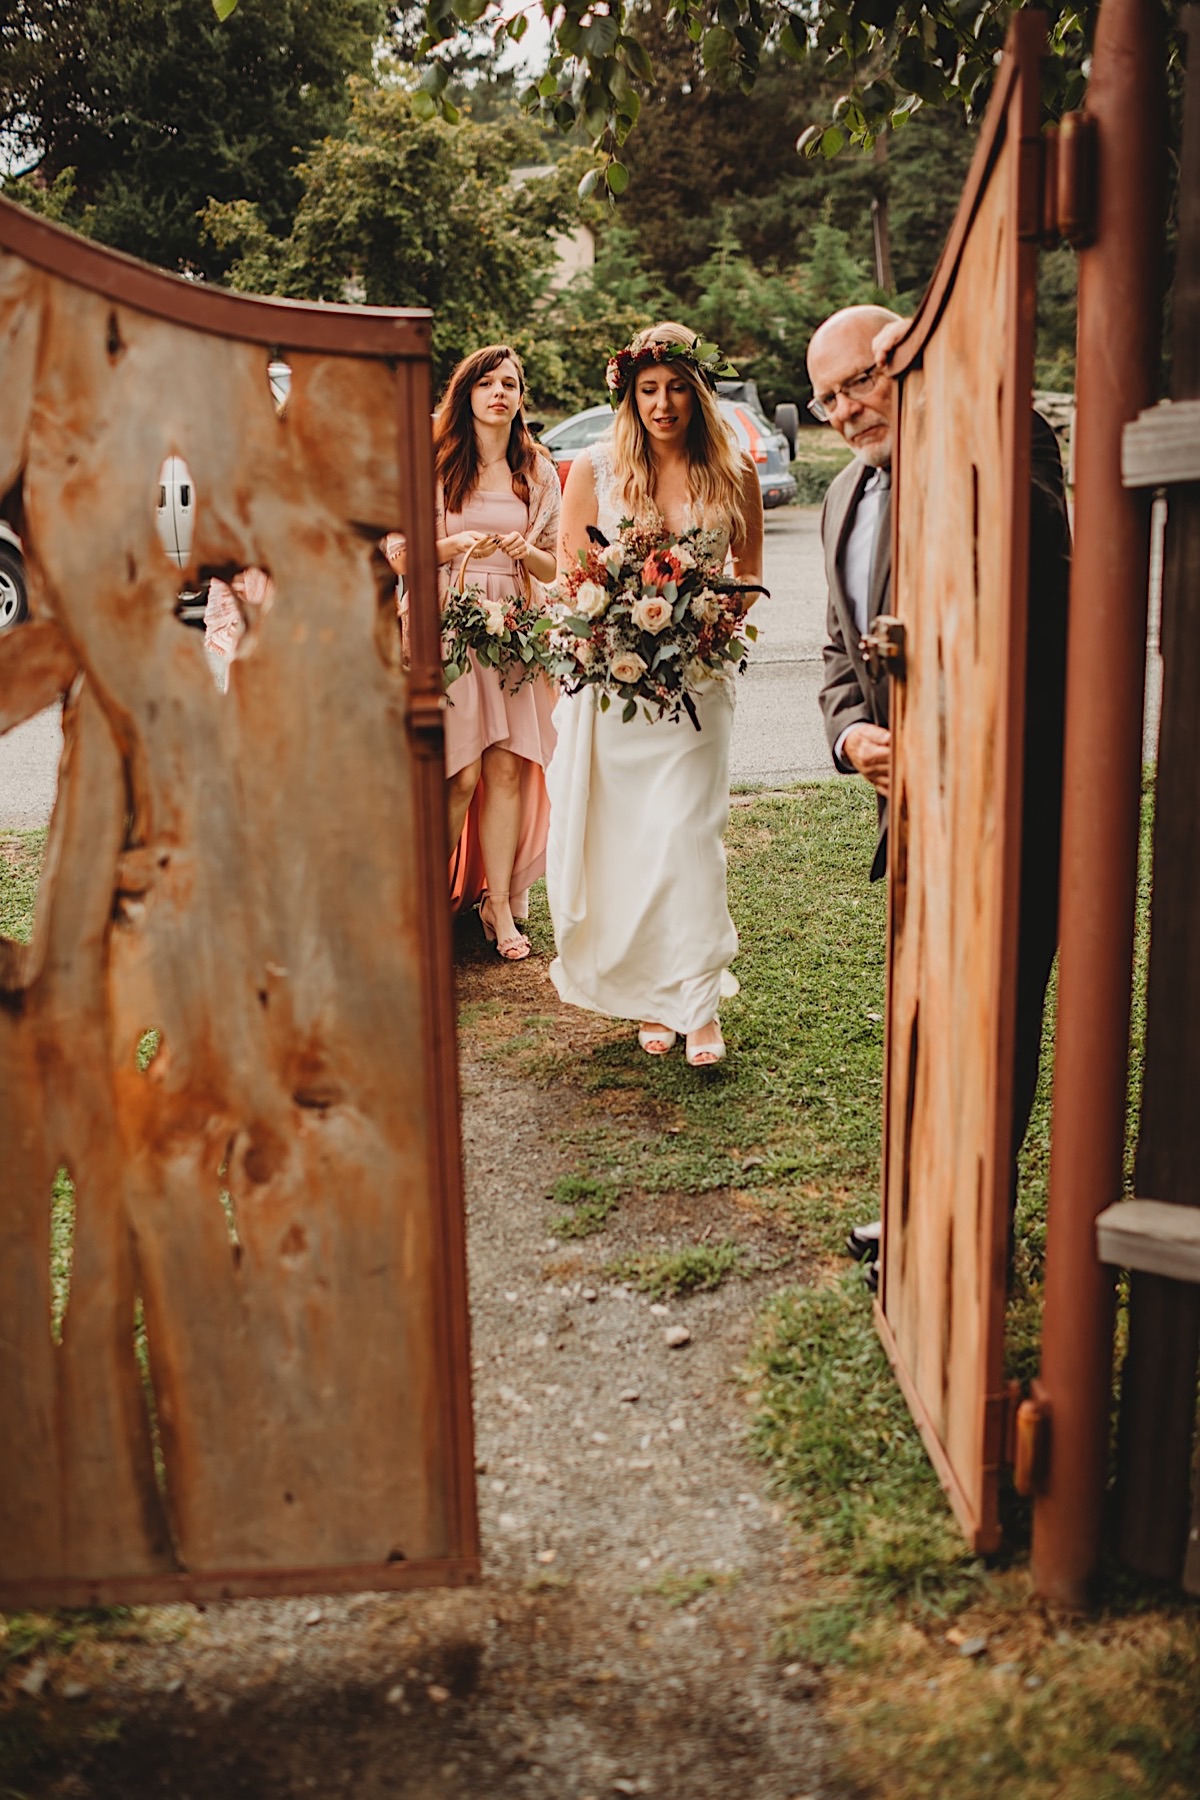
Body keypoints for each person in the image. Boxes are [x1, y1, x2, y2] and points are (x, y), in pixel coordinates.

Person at [808, 304, 1071, 1280]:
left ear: (909, 366)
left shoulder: (996, 440)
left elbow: (1042, 552)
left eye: (860, 383)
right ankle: (922, 1207)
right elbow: (839, 654)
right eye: (827, 396)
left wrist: (956, 394)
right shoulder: (840, 497)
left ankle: (977, 1230)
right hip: (909, 814)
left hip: (1009, 795)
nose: (844, 411)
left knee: (993, 1020)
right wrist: (852, 738)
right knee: (928, 1018)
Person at [546, 322, 764, 1068]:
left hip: (699, 687)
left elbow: (749, 572)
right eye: (649, 390)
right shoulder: (595, 471)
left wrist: (708, 626)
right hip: (618, 693)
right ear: (629, 396)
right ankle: (649, 994)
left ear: (698, 393)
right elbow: (572, 579)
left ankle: (696, 1005)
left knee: (686, 837)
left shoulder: (732, 473)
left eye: (676, 388)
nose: (663, 403)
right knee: (634, 843)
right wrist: (618, 635)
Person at [416, 344, 561, 960]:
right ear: (467, 393)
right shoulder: (439, 461)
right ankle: (424, 898)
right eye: (486, 383)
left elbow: (556, 566)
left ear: (521, 397)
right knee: (461, 773)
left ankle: (498, 905)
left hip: (515, 630)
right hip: (454, 626)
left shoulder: (538, 470)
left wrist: (525, 553)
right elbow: (404, 546)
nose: (499, 392)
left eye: (510, 383)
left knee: (506, 769)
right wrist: (457, 544)